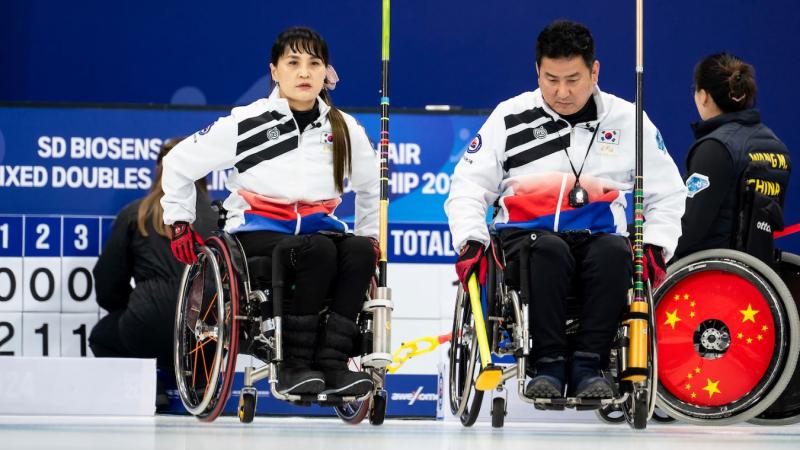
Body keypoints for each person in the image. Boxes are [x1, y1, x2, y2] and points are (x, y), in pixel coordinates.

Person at [445, 20, 686, 399]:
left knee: (615, 252)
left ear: (595, 71)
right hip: (528, 239)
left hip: (599, 237)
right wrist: (470, 239)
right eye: (551, 79)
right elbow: (468, 185)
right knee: (549, 249)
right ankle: (550, 364)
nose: (561, 91)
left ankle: (590, 365)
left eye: (573, 79)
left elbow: (669, 193)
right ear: (537, 71)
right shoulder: (510, 116)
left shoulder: (628, 120)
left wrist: (657, 244)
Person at [160, 27, 379, 397]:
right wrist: (179, 221)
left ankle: (332, 363)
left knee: (359, 252)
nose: (304, 72)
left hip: (320, 228)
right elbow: (178, 161)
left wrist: (373, 237)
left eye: (314, 63)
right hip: (257, 229)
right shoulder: (246, 122)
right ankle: (295, 364)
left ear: (326, 72)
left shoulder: (343, 128)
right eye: (293, 63)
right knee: (319, 251)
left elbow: (373, 185)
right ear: (275, 71)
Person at [89, 137, 217, 405]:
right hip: (204, 333)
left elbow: (108, 285)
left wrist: (135, 308)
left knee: (102, 336)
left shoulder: (135, 214)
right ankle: (200, 384)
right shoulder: (221, 216)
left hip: (146, 325)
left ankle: (149, 386)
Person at [675, 53, 791, 265]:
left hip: (710, 279)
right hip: (758, 280)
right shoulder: (777, 146)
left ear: (703, 96)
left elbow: (689, 230)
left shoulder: (715, 148)